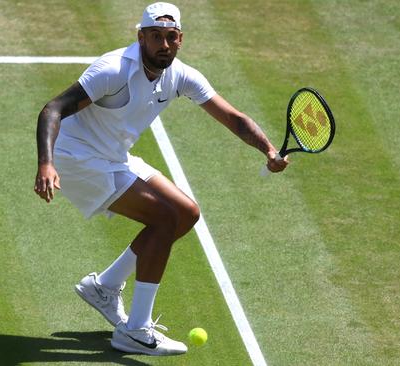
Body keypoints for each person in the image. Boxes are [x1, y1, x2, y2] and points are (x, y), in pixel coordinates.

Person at [34, 2, 288, 356]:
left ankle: (104, 287)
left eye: (170, 37)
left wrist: (269, 150)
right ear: (141, 37)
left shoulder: (181, 75)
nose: (163, 44)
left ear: (180, 39)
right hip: (74, 157)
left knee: (186, 214)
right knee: (166, 217)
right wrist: (46, 163)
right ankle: (135, 330)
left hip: (112, 155)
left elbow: (233, 117)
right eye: (155, 36)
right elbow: (53, 109)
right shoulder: (113, 69)